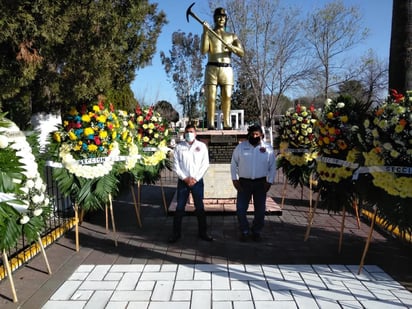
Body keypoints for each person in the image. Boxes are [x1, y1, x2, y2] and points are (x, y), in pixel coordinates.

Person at [201, 7, 244, 130]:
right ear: (215, 18)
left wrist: (232, 48)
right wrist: (205, 32)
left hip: (226, 69)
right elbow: (203, 51)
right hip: (212, 68)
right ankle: (210, 123)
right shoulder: (209, 33)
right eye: (218, 16)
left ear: (226, 19)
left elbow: (242, 53)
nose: (221, 19)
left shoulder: (232, 36)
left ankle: (227, 123)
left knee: (227, 96)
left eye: (223, 17)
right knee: (211, 97)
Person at [230, 124, 276, 242]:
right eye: (252, 134)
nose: (254, 136)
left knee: (260, 210)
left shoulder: (268, 148)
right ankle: (244, 231)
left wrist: (269, 181)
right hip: (244, 183)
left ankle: (256, 231)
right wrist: (234, 179)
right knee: (240, 209)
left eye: (257, 134)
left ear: (261, 135)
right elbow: (233, 164)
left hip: (261, 183)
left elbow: (272, 166)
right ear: (249, 134)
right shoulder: (240, 147)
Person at [168, 124, 213, 243]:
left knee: (200, 208)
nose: (189, 134)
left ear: (195, 133)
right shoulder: (179, 147)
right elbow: (176, 165)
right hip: (183, 182)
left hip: (197, 182)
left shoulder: (202, 146)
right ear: (184, 134)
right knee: (179, 208)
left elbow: (205, 164)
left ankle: (203, 233)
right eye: (187, 132)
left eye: (191, 131)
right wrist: (185, 178)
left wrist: (195, 179)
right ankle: (175, 234)